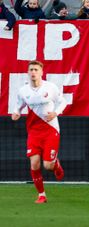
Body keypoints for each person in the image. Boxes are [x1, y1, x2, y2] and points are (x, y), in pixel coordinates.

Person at [11, 60, 67, 204]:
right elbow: (18, 105)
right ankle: (42, 195)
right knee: (34, 164)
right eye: (31, 70)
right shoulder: (23, 91)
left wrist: (55, 113)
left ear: (42, 72)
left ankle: (56, 165)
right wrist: (16, 112)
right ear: (28, 73)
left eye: (36, 69)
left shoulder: (50, 87)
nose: (33, 72)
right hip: (34, 132)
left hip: (50, 130)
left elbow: (63, 102)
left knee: (47, 165)